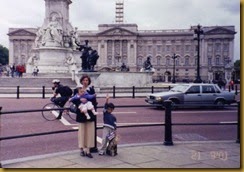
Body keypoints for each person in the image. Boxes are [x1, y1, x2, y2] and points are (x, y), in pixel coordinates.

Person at [72, 75, 98, 158]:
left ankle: (88, 150)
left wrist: (90, 106)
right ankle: (81, 149)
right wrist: (80, 105)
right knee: (82, 132)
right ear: (81, 81)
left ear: (88, 81)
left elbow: (94, 101)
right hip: (81, 112)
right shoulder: (77, 89)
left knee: (90, 132)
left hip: (90, 113)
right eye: (84, 80)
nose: (85, 81)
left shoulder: (91, 90)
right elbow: (74, 100)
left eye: (87, 80)